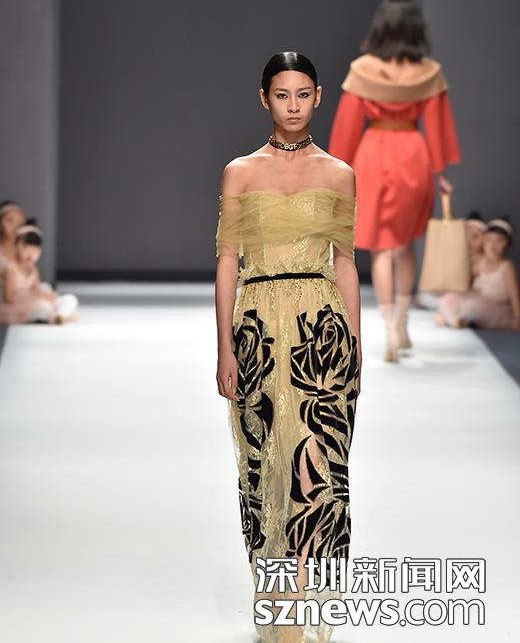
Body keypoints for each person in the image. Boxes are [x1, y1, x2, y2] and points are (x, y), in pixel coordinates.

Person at [215, 52, 361, 643]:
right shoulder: (240, 172)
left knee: (315, 469)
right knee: (263, 467)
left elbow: (346, 263)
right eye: (282, 95)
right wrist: (224, 348)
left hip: (320, 332)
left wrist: (355, 344)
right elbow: (227, 262)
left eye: (303, 94)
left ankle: (300, 608)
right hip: (257, 327)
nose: (293, 106)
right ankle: (275, 597)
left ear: (319, 97)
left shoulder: (340, 174)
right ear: (264, 98)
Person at [328, 0, 461, 362]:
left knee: (381, 248)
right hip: (413, 153)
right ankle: (402, 323)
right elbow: (437, 128)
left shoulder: (363, 70)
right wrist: (440, 173)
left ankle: (388, 327)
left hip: (373, 152)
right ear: (416, 28)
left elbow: (347, 128)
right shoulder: (429, 72)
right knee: (403, 245)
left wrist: (337, 169)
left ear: (381, 27)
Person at [0, 220, 80, 324]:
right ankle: (53, 315)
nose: (31, 253)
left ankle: (59, 315)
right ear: (16, 247)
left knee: (70, 299)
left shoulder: (34, 270)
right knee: (43, 308)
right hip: (17, 305)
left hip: (33, 302)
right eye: (26, 247)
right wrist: (32, 298)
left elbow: (36, 289)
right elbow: (8, 299)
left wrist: (47, 295)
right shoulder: (11, 269)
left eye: (36, 249)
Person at [437, 217, 520, 330]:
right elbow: (472, 286)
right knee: (447, 299)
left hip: (497, 307)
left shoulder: (506, 267)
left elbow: (514, 296)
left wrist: (517, 318)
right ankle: (454, 319)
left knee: (472, 307)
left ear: (508, 244)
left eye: (499, 240)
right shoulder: (480, 262)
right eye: (489, 240)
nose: (493, 245)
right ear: (484, 241)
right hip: (479, 299)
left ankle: (454, 318)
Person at [465, 211, 487, 278]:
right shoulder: (458, 260)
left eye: (475, 236)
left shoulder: (488, 262)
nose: (470, 241)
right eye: (466, 236)